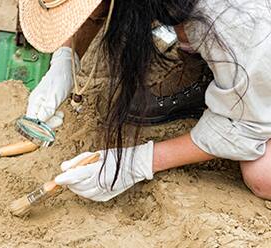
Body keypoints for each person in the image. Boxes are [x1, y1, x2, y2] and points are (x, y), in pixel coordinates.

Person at [18, 0, 271, 201]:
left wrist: (137, 163)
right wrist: (65, 59)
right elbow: (90, 9)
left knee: (263, 174)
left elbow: (246, 127)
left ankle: (228, 79)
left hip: (256, 46)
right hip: (245, 47)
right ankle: (215, 75)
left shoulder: (234, 19)